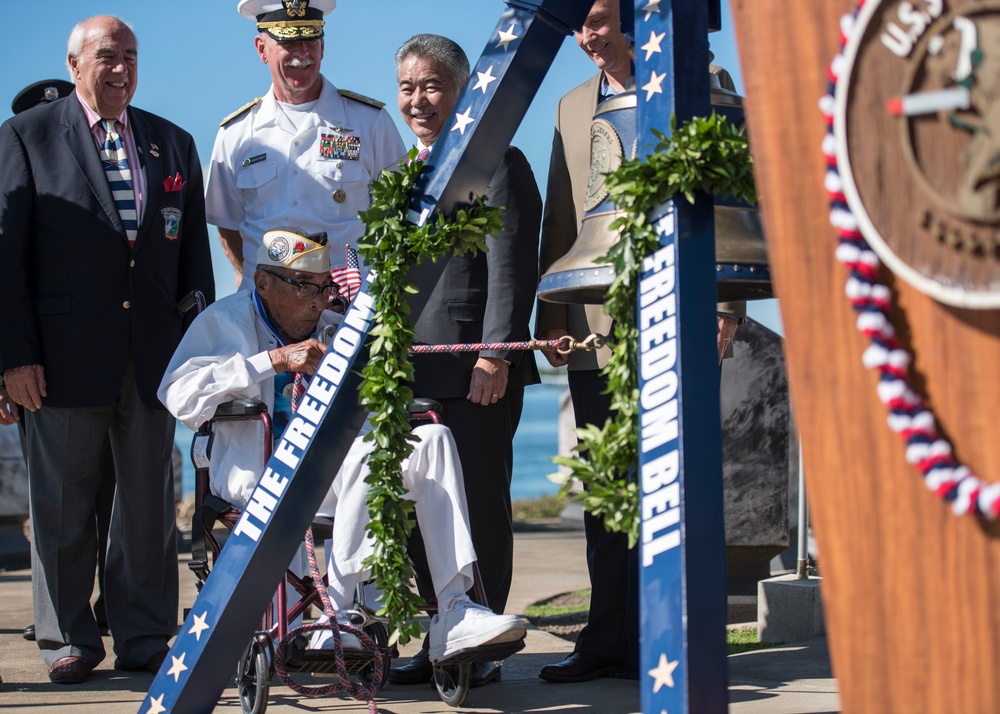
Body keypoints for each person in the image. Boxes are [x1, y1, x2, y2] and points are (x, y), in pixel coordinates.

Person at [158, 228, 527, 661]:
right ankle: (338, 607)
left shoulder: (334, 330)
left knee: (433, 438)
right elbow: (176, 395)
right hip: (260, 475)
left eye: (324, 289)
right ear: (262, 283)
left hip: (335, 475)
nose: (317, 302)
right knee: (364, 454)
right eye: (304, 288)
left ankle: (454, 607)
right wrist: (270, 362)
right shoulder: (223, 321)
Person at [0, 16, 215, 684]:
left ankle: (147, 633)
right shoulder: (26, 137)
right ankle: (68, 638)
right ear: (73, 63)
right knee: (62, 508)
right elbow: (7, 261)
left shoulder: (171, 143)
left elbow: (193, 266)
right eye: (106, 56)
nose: (120, 67)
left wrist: (198, 354)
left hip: (153, 361)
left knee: (147, 511)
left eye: (130, 56)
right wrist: (13, 358)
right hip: (58, 361)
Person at [534, 0, 742, 683]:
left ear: (635, 16)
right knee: (605, 496)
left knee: (672, 489)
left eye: (597, 19)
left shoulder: (699, 80)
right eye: (579, 26)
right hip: (596, 332)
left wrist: (726, 307)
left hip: (677, 320)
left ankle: (672, 642)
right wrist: (552, 324)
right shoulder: (569, 106)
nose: (587, 37)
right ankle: (607, 642)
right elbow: (560, 214)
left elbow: (732, 197)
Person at [388, 34, 542, 687]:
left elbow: (511, 267)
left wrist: (494, 355)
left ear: (461, 91)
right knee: (418, 517)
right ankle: (436, 637)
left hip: (475, 374)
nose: (417, 100)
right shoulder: (401, 175)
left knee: (477, 509)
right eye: (407, 88)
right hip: (411, 374)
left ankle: (481, 646)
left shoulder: (498, 162)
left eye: (431, 86)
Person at [6, 78, 116, 646]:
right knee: (56, 499)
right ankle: (60, 612)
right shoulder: (20, 162)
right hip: (43, 372)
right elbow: (9, 275)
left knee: (113, 497)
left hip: (115, 362)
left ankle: (103, 610)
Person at [205, 0, 406, 287]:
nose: (302, 53)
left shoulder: (369, 122)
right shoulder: (236, 133)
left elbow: (398, 213)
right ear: (262, 49)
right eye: (289, 41)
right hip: (263, 311)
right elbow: (228, 225)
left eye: (310, 39)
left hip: (346, 308)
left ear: (322, 47)